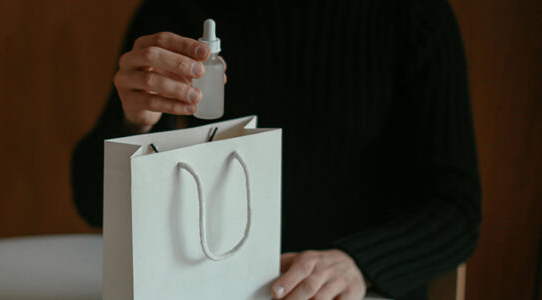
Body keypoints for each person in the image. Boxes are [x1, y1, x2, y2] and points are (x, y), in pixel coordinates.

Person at [71, 0, 482, 299]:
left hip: (354, 289)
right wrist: (132, 124)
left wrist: (361, 262)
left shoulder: (413, 16)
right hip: (209, 284)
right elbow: (92, 202)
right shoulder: (179, 11)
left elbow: (457, 210)